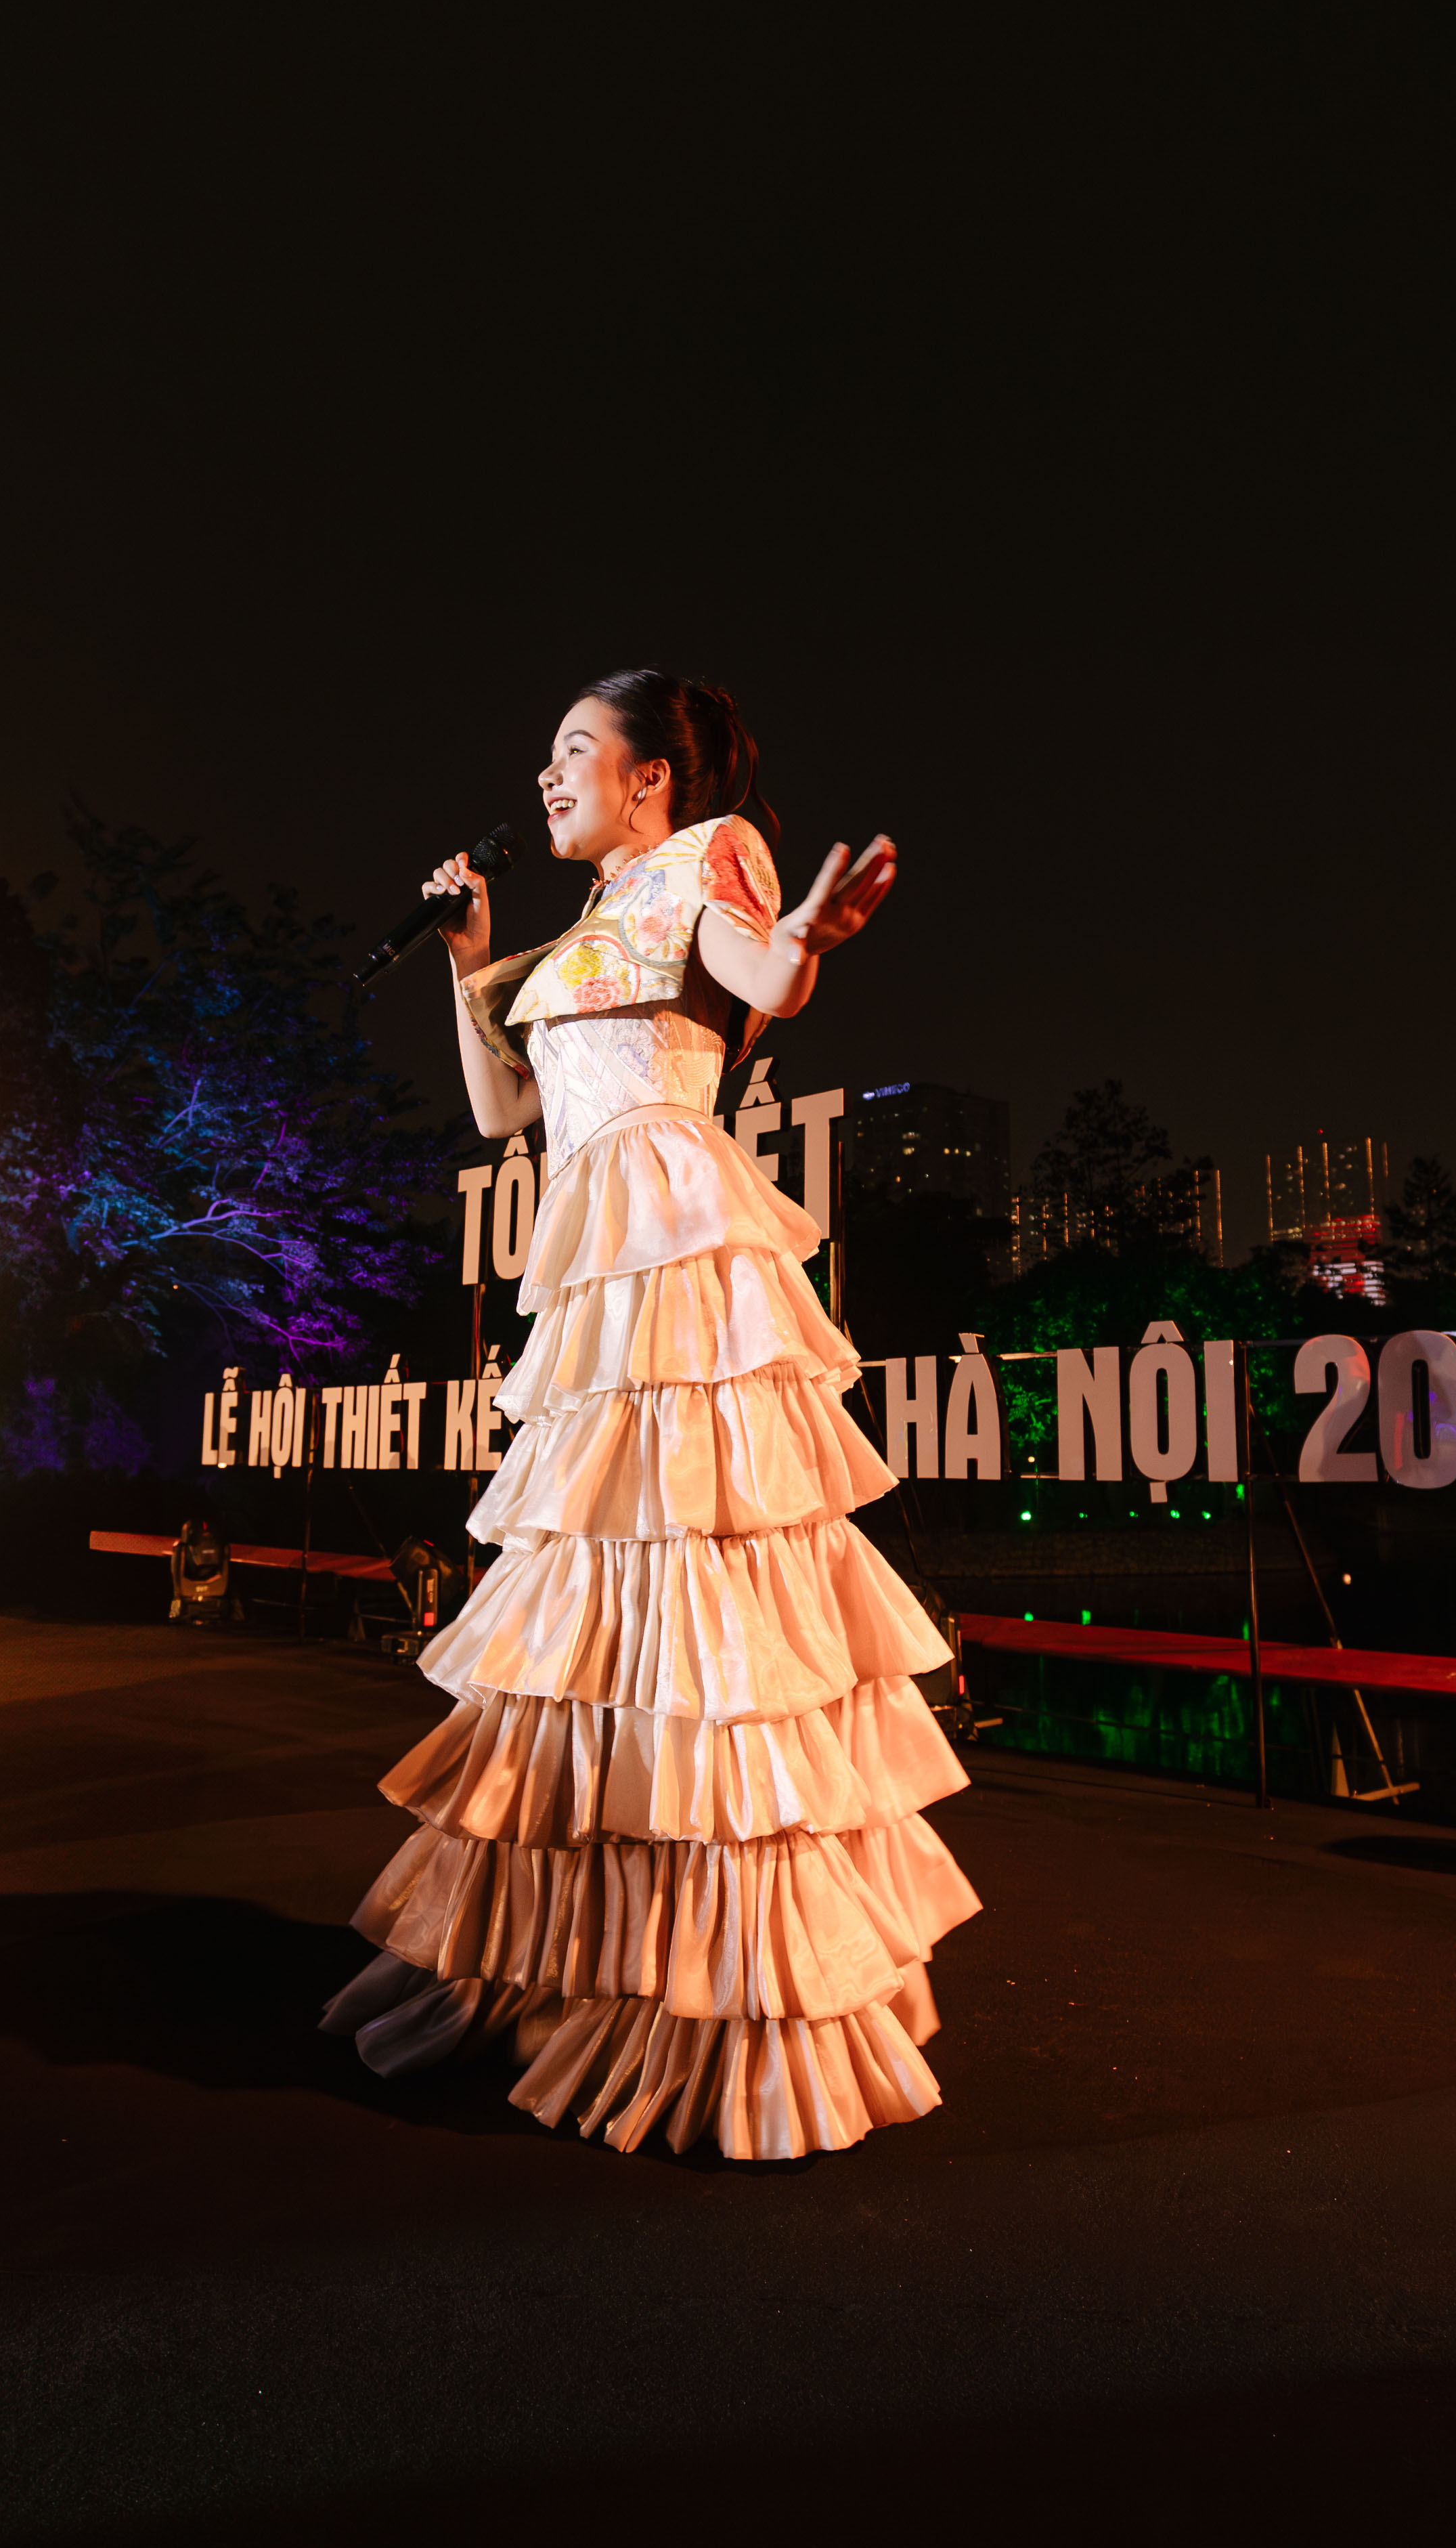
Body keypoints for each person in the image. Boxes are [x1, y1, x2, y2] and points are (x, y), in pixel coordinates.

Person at [321, 668, 979, 2157]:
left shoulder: (710, 849)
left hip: (673, 1236)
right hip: (594, 1245)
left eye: (574, 749)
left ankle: (727, 1985)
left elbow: (761, 973)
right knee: (603, 1599)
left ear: (649, 777)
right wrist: (469, 961)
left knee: (695, 1573)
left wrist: (803, 944)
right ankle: (586, 1947)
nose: (546, 775)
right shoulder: (577, 923)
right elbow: (503, 1112)